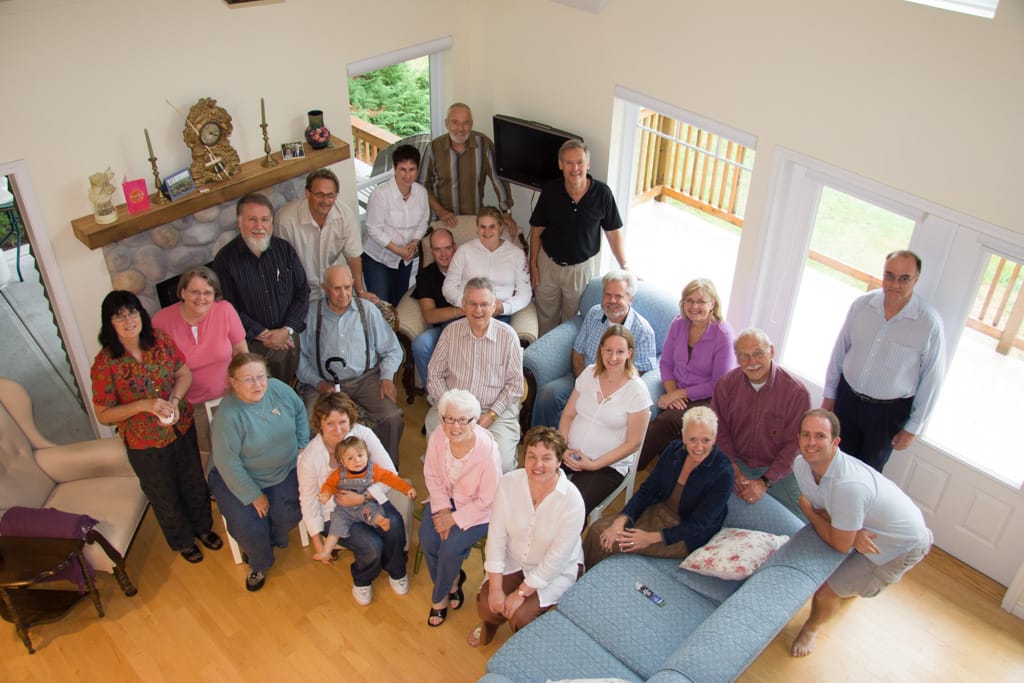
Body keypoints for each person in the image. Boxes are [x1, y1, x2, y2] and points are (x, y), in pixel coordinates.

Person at [90, 291, 221, 565]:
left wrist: (173, 400)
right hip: (144, 443)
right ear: (109, 322)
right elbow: (103, 414)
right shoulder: (105, 363)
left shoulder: (160, 340)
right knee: (164, 493)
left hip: (181, 427)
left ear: (141, 314)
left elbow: (183, 374)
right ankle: (183, 540)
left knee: (193, 480)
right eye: (119, 315)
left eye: (133, 312)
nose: (129, 320)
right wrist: (144, 405)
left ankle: (203, 528)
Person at [790, 409, 932, 657]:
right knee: (844, 555)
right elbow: (825, 508)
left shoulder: (848, 486)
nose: (811, 443)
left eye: (820, 436)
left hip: (899, 546)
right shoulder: (801, 464)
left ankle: (812, 628)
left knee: (825, 592)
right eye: (806, 435)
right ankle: (852, 581)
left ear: (835, 442)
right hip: (874, 528)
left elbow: (837, 542)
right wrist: (849, 532)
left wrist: (810, 514)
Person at [823, 250, 946, 471]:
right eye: (889, 275)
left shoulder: (928, 323)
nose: (895, 284)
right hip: (847, 400)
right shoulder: (862, 306)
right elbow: (839, 352)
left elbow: (932, 380)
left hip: (887, 415)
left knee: (867, 474)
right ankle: (825, 506)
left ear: (916, 279)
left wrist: (913, 427)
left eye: (904, 278)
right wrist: (829, 395)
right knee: (834, 464)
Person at [467, 427, 585, 648]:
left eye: (546, 458)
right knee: (488, 605)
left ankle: (524, 643)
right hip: (515, 559)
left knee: (520, 616)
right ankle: (490, 625)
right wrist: (495, 588)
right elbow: (497, 536)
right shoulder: (509, 483)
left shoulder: (572, 501)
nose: (537, 465)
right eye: (531, 457)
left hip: (553, 569)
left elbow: (558, 557)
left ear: (560, 461)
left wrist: (521, 593)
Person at [582, 406, 733, 569]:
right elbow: (648, 489)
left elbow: (698, 524)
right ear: (683, 436)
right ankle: (579, 577)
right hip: (658, 510)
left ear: (715, 438)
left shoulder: (723, 473)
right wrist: (622, 518)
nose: (699, 447)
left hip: (686, 532)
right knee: (599, 530)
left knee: (613, 543)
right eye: (692, 439)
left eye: (706, 440)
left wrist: (650, 537)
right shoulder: (673, 450)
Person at [208, 353, 309, 591]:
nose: (258, 384)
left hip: (283, 469)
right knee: (249, 525)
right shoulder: (228, 415)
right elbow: (227, 462)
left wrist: (302, 443)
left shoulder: (278, 389)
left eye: (261, 377)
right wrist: (254, 495)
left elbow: (299, 412)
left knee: (288, 513)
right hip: (237, 477)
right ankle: (259, 562)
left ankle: (270, 540)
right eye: (248, 380)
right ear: (233, 383)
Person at [297, 392, 409, 606]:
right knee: (371, 545)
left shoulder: (363, 435)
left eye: (343, 422)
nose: (338, 430)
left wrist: (363, 497)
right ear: (319, 424)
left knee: (393, 525)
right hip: (335, 513)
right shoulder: (310, 458)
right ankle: (363, 578)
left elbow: (389, 473)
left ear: (351, 419)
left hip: (369, 500)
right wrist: (318, 542)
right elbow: (308, 500)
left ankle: (397, 569)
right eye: (330, 424)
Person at [296, 264, 404, 464]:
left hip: (365, 379)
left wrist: (387, 377)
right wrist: (319, 383)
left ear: (353, 285)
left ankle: (386, 471)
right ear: (325, 288)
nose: (343, 294)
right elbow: (300, 362)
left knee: (392, 417)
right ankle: (323, 471)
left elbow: (392, 349)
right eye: (337, 288)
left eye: (347, 287)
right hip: (322, 383)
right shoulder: (312, 314)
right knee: (310, 424)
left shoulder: (368, 310)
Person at [532, 269, 656, 428]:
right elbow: (578, 352)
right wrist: (583, 383)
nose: (611, 300)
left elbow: (638, 373)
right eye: (607, 294)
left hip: (614, 390)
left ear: (630, 299)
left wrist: (605, 390)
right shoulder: (594, 312)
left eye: (618, 296)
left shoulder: (643, 331)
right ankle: (542, 444)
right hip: (582, 377)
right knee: (548, 394)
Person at [529, 139, 629, 335]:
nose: (575, 168)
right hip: (547, 266)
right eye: (569, 163)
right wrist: (533, 263)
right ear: (560, 165)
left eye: (580, 162)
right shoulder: (550, 190)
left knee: (572, 322)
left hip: (579, 271)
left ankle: (565, 360)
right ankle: (544, 360)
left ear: (588, 164)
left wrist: (624, 265)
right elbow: (537, 230)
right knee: (545, 318)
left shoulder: (602, 194)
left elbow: (613, 231)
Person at [421, 390, 502, 627]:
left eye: (462, 420)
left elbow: (488, 499)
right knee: (428, 539)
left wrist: (455, 518)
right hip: (444, 500)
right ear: (442, 418)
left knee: (450, 548)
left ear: (474, 421)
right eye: (449, 418)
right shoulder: (438, 436)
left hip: (477, 510)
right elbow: (433, 475)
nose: (454, 426)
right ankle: (454, 580)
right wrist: (443, 510)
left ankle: (439, 599)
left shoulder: (487, 452)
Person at [152, 265, 248, 466]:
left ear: (215, 295)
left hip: (229, 398)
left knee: (240, 454)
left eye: (207, 293)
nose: (201, 298)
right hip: (191, 406)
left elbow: (241, 352)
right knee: (206, 459)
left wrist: (246, 390)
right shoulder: (162, 321)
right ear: (182, 292)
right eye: (195, 291)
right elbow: (158, 369)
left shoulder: (225, 310)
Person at [427, 278, 524, 472]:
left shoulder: (508, 336)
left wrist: (491, 414)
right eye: (472, 304)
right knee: (441, 455)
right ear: (463, 304)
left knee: (501, 465)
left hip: (495, 412)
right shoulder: (450, 332)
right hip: (455, 409)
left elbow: (515, 384)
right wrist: (452, 410)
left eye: (484, 304)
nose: (478, 310)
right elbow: (435, 374)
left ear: (494, 306)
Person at [637, 278, 735, 471]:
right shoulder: (679, 324)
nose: (694, 306)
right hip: (677, 386)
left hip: (709, 396)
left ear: (712, 304)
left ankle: (631, 467)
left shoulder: (723, 335)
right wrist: (671, 391)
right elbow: (665, 363)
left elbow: (718, 384)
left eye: (701, 301)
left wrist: (678, 395)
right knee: (644, 404)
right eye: (689, 300)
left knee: (667, 421)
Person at [712, 328, 810, 518]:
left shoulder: (796, 393)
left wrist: (764, 481)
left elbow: (794, 446)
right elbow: (720, 431)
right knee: (704, 501)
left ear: (771, 351)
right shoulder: (725, 385)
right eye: (744, 356)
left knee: (804, 517)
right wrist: (733, 469)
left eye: (758, 354)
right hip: (736, 460)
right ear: (737, 359)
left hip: (777, 468)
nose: (752, 362)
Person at [213, 193, 308, 384]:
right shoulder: (225, 260)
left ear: (271, 222)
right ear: (239, 222)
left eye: (264, 220)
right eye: (252, 220)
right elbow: (228, 308)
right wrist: (263, 334)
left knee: (288, 387)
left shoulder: (285, 250)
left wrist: (285, 330)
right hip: (252, 344)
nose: (259, 226)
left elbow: (302, 292)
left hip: (287, 337)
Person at [559, 326, 651, 515]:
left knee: (572, 509)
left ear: (629, 353)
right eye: (608, 350)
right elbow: (568, 414)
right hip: (569, 452)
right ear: (601, 350)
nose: (613, 357)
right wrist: (562, 447)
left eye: (620, 352)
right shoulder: (589, 373)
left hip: (606, 467)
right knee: (536, 483)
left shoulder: (637, 391)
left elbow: (633, 443)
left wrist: (594, 464)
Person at [274, 168, 377, 303]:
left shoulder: (345, 215)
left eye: (330, 195)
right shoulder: (285, 220)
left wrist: (360, 291)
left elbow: (353, 257)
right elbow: (283, 267)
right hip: (299, 291)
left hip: (331, 286)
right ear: (308, 193)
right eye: (320, 194)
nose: (325, 200)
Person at [419, 102, 516, 237]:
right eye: (455, 122)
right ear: (447, 124)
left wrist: (506, 212)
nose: (460, 128)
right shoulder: (433, 149)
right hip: (441, 222)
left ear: (471, 124)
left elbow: (498, 180)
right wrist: (440, 211)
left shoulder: (484, 145)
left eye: (465, 123)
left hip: (473, 221)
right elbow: (421, 186)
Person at [314, 435, 416, 562]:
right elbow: (329, 485)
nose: (357, 461)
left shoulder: (373, 470)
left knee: (372, 512)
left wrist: (407, 489)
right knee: (336, 527)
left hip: (365, 505)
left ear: (367, 455)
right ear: (342, 462)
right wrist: (325, 494)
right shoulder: (339, 474)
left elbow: (391, 478)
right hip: (345, 510)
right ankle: (326, 551)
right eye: (350, 458)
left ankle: (380, 521)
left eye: (360, 455)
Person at [363, 144, 430, 305]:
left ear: (418, 169)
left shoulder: (421, 193)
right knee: (381, 305)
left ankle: (395, 332)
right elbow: (373, 229)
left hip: (404, 259)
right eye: (403, 169)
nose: (407, 175)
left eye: (412, 169)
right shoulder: (380, 194)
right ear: (395, 168)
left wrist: (415, 241)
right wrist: (398, 249)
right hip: (377, 259)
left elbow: (423, 221)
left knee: (399, 303)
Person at [442, 206, 531, 322]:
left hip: (499, 316)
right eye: (482, 227)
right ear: (477, 229)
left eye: (492, 226)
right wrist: (466, 303)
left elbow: (525, 292)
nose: (487, 232)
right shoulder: (464, 251)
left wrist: (504, 307)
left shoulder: (517, 255)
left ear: (501, 227)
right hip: (465, 313)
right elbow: (448, 286)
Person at [410, 228, 464, 388]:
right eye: (438, 249)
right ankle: (434, 395)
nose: (444, 254)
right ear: (431, 251)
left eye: (447, 248)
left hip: (470, 326)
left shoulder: (468, 268)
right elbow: (430, 316)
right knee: (420, 344)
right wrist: (461, 310)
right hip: (442, 331)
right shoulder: (426, 275)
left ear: (454, 247)